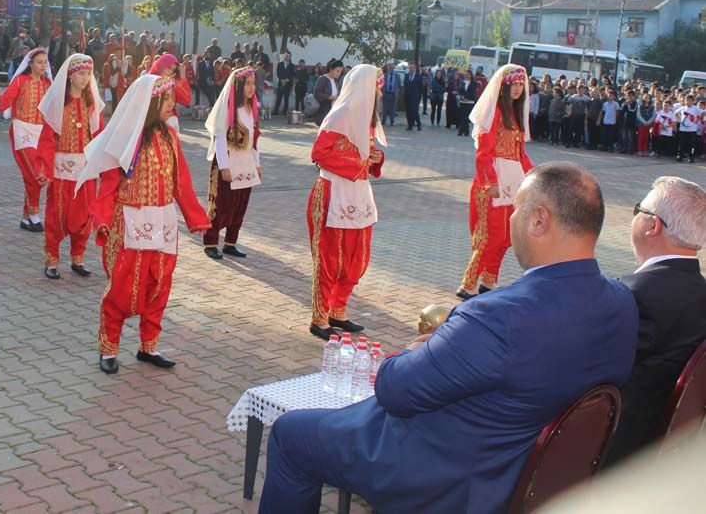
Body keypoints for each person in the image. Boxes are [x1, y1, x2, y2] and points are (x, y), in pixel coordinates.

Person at [259, 162, 637, 514]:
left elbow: (394, 389)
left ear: (539, 220)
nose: (511, 218)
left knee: (291, 434)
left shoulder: (498, 316)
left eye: (517, 208)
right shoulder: (622, 304)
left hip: (447, 471)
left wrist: (416, 349)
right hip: (527, 472)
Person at [77, 74, 210, 375]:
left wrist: (196, 218)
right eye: (167, 99)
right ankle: (109, 347)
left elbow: (181, 181)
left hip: (164, 222)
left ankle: (149, 346)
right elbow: (108, 183)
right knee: (123, 288)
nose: (173, 104)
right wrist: (102, 219)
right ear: (151, 104)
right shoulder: (127, 137)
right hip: (131, 223)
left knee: (160, 284)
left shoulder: (170, 135)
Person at [604, 176, 706, 466]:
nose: (634, 216)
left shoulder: (634, 295)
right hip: (668, 447)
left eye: (638, 209)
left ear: (653, 225)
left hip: (617, 452)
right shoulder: (700, 290)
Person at [306, 65, 386, 340]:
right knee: (330, 258)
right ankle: (319, 318)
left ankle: (338, 310)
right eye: (376, 88)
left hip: (358, 194)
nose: (380, 93)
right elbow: (319, 154)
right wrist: (359, 162)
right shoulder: (339, 116)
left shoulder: (366, 120)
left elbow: (366, 153)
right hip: (334, 194)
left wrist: (375, 158)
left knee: (356, 258)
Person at [457, 65, 534, 299]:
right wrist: (489, 182)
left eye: (521, 84)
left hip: (513, 182)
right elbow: (483, 153)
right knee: (490, 235)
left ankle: (489, 280)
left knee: (506, 236)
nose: (518, 89)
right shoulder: (494, 112)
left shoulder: (516, 115)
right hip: (493, 182)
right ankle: (468, 283)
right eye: (514, 84)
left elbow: (520, 155)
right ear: (504, 86)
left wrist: (536, 176)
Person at [36, 54, 104, 279]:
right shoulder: (59, 104)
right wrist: (44, 168)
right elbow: (47, 139)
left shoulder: (91, 104)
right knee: (57, 215)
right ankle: (52, 259)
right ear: (70, 75)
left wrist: (103, 164)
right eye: (81, 73)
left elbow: (99, 135)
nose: (85, 78)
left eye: (88, 74)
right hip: (61, 170)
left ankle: (78, 257)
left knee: (83, 216)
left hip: (84, 170)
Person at [0, 48, 53, 231]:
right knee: (36, 174)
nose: (43, 65)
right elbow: (4, 103)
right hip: (22, 130)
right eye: (39, 62)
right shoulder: (20, 81)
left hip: (42, 133)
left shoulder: (48, 84)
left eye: (45, 62)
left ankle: (27, 218)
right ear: (30, 64)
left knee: (35, 174)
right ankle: (34, 215)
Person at [203, 66, 261, 260]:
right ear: (238, 86)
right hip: (228, 161)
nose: (251, 88)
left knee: (240, 206)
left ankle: (230, 243)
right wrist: (224, 167)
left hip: (246, 163)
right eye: (247, 84)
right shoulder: (229, 110)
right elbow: (219, 138)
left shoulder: (251, 109)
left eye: (253, 83)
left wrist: (257, 164)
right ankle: (210, 242)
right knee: (222, 204)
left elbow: (254, 140)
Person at [149, 53, 190, 131]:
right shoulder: (150, 80)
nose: (170, 72)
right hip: (152, 122)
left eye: (173, 70)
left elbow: (186, 100)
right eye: (169, 68)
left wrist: (183, 76)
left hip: (169, 120)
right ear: (161, 65)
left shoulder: (172, 83)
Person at [312, 60, 343, 125]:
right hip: (324, 113)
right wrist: (330, 97)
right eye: (337, 71)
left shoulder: (335, 80)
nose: (339, 73)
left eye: (340, 71)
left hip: (333, 113)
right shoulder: (322, 79)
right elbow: (316, 93)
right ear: (331, 69)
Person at [674, 94, 702, 163]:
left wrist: (698, 119)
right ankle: (680, 156)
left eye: (690, 100)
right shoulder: (682, 108)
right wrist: (679, 120)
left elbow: (703, 112)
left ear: (693, 101)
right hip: (683, 129)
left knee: (692, 145)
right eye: (687, 100)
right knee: (682, 143)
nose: (688, 102)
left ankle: (691, 157)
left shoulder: (695, 108)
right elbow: (675, 113)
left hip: (692, 130)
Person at [273, 51, 295, 116]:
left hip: (288, 84)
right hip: (281, 83)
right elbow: (278, 73)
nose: (287, 57)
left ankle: (285, 112)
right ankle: (276, 111)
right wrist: (282, 80)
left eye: (288, 56)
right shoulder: (280, 64)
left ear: (290, 57)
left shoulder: (292, 65)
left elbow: (292, 74)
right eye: (286, 55)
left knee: (286, 99)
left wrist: (286, 80)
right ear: (284, 56)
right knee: (278, 98)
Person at [404, 63, 423, 131]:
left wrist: (419, 96)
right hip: (407, 97)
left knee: (415, 111)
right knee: (408, 111)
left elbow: (421, 87)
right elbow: (405, 86)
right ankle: (410, 125)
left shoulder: (418, 76)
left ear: (415, 69)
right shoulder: (407, 76)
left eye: (412, 68)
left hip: (415, 97)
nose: (411, 69)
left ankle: (419, 124)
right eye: (410, 68)